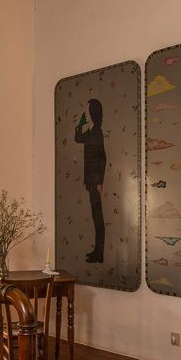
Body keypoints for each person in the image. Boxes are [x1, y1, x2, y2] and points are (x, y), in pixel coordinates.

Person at [74, 98, 106, 263]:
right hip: (91, 181)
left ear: (92, 112)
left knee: (98, 217)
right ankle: (97, 252)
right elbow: (78, 138)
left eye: (86, 111)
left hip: (95, 182)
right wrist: (80, 123)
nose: (85, 113)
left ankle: (99, 253)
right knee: (96, 216)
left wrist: (99, 181)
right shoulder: (91, 131)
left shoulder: (97, 132)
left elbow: (102, 158)